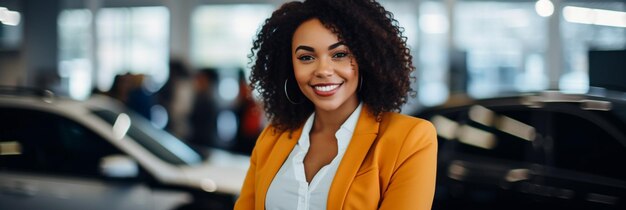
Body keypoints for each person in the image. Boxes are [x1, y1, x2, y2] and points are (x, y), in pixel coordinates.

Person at [234, 0, 437, 210]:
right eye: (306, 57)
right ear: (289, 67)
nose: (323, 70)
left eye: (339, 54)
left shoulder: (410, 139)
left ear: (366, 59)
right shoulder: (272, 137)